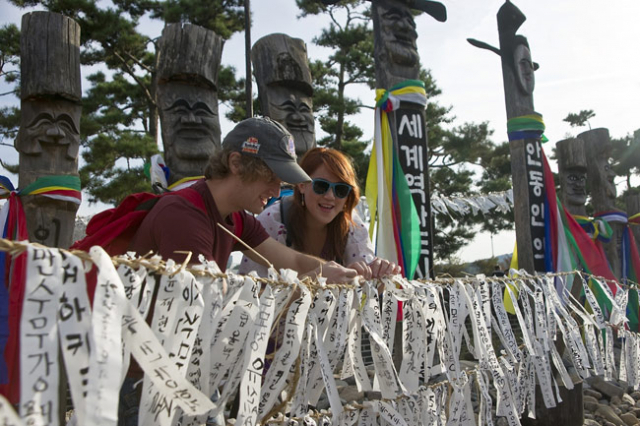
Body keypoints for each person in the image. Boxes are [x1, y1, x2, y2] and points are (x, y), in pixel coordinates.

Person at [128, 117, 357, 283]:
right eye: (271, 178)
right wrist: (313, 282)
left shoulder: (236, 218)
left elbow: (294, 261)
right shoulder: (183, 217)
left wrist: (335, 271)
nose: (277, 192)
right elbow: (209, 303)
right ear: (235, 163)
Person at [239, 147, 401, 279]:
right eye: (321, 186)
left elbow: (366, 284)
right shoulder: (271, 221)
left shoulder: (353, 226)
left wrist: (379, 274)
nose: (330, 196)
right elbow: (251, 294)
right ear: (301, 185)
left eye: (341, 189)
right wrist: (319, 279)